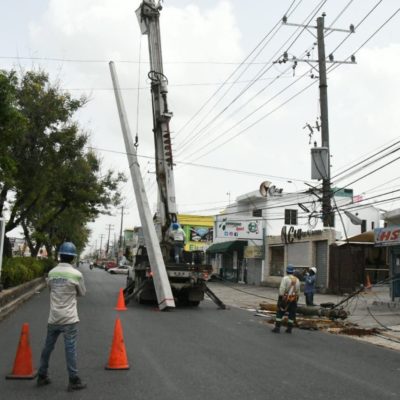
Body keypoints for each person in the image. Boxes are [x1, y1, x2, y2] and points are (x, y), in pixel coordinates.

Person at [37, 241, 87, 391]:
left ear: (60, 256)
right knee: (70, 349)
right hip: (69, 319)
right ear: (73, 258)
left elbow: (50, 289)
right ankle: (73, 380)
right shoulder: (76, 274)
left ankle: (42, 375)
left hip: (54, 317)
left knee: (48, 347)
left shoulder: (52, 273)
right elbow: (82, 293)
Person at [271, 264, 300, 334]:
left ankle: (277, 328)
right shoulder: (297, 280)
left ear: (287, 271)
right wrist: (296, 300)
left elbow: (282, 290)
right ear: (293, 272)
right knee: (292, 314)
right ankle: (289, 329)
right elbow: (298, 292)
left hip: (285, 299)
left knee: (280, 312)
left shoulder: (285, 279)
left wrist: (281, 298)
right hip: (293, 299)